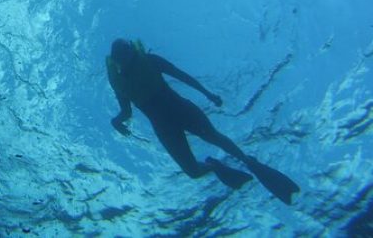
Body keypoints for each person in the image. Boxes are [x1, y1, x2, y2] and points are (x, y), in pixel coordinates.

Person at [107, 38, 300, 205]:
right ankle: (214, 166)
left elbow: (182, 76)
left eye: (126, 51)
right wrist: (116, 122)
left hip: (182, 110)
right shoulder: (120, 85)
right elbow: (126, 112)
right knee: (192, 171)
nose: (125, 57)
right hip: (165, 128)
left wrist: (208, 94)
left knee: (214, 137)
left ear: (132, 50)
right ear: (116, 60)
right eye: (121, 55)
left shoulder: (150, 60)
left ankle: (247, 160)